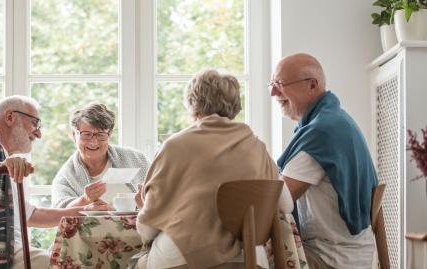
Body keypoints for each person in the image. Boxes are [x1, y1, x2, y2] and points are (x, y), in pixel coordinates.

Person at [134, 69, 293, 269]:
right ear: (235, 105)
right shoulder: (257, 146)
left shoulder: (175, 145)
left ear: (193, 104)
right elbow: (286, 205)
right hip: (249, 259)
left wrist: (144, 209)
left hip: (180, 257)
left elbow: (147, 229)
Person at [0, 96, 109, 269]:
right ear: (10, 117)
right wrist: (1, 166)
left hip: (8, 251)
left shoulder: (3, 159)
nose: (38, 133)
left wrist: (83, 210)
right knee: (67, 263)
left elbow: (32, 216)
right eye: (35, 123)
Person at [270, 53, 378, 269]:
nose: (273, 92)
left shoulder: (322, 133)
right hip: (351, 252)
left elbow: (277, 200)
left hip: (332, 258)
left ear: (312, 85)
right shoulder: (335, 120)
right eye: (272, 84)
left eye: (280, 84)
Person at [51, 103, 149, 209]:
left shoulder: (138, 160)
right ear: (74, 135)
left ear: (109, 135)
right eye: (87, 134)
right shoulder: (66, 176)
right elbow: (59, 211)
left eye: (101, 135)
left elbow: (162, 197)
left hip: (136, 225)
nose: (93, 142)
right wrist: (85, 200)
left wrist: (145, 204)